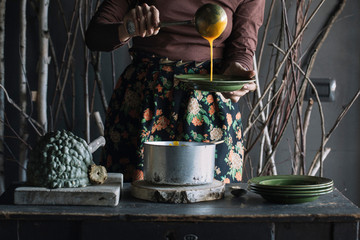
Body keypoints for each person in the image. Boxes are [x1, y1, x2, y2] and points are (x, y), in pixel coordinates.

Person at [85, 0, 265, 183]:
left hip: (210, 105)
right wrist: (129, 27)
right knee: (135, 200)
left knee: (211, 202)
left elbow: (242, 48)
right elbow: (95, 35)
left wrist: (237, 73)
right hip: (144, 101)